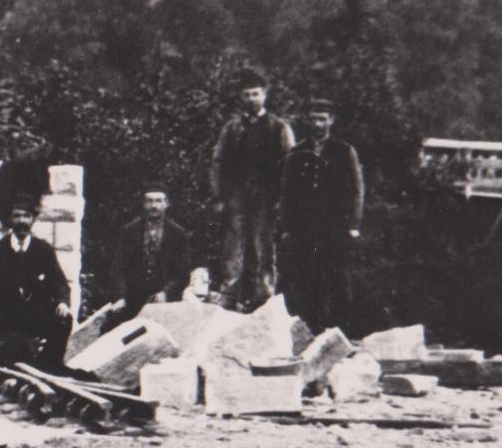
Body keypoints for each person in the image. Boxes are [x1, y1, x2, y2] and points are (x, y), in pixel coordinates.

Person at [278, 98, 366, 335]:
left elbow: (356, 190)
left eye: (322, 119)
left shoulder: (344, 151)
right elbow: (287, 191)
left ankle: (340, 333)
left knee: (338, 281)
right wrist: (287, 226)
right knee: (307, 280)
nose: (317, 123)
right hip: (304, 229)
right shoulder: (297, 152)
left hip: (335, 227)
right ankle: (311, 331)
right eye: (313, 118)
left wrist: (352, 224)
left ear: (331, 121)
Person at [211, 70, 295, 311]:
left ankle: (265, 294)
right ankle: (229, 293)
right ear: (241, 97)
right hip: (237, 196)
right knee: (233, 247)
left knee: (264, 246)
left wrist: (284, 199)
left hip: (267, 198)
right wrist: (218, 195)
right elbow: (218, 161)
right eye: (246, 94)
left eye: (256, 94)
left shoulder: (279, 127)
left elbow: (290, 165)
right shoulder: (232, 128)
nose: (251, 98)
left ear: (265, 95)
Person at [0, 194, 73, 371]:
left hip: (33, 313)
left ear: (33, 219)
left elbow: (60, 283)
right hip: (4, 313)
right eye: (17, 216)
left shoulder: (43, 250)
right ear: (10, 219)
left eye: (26, 216)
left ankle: (48, 366)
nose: (22, 221)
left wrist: (63, 302)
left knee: (64, 319)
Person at [106, 182, 194, 329]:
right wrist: (120, 296)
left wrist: (166, 293)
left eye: (159, 201)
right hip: (133, 299)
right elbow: (118, 267)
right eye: (150, 201)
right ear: (144, 203)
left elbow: (183, 273)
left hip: (164, 301)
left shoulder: (178, 234)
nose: (154, 206)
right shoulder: (130, 231)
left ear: (167, 204)